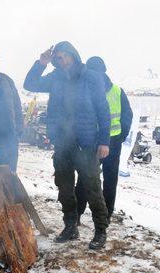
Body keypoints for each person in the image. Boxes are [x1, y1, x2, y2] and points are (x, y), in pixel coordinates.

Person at [24, 41, 111, 250]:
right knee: (63, 187)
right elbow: (30, 84)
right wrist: (41, 63)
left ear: (73, 55)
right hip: (62, 142)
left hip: (86, 143)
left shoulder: (91, 77)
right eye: (57, 58)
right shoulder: (55, 77)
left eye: (63, 56)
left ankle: (101, 230)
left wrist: (104, 141)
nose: (60, 61)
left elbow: (103, 109)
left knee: (92, 188)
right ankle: (70, 226)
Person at [75, 56, 133, 221]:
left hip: (104, 142)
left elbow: (127, 116)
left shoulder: (113, 91)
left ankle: (85, 214)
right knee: (104, 178)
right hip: (102, 142)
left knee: (89, 178)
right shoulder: (115, 90)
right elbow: (127, 116)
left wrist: (121, 136)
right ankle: (98, 214)